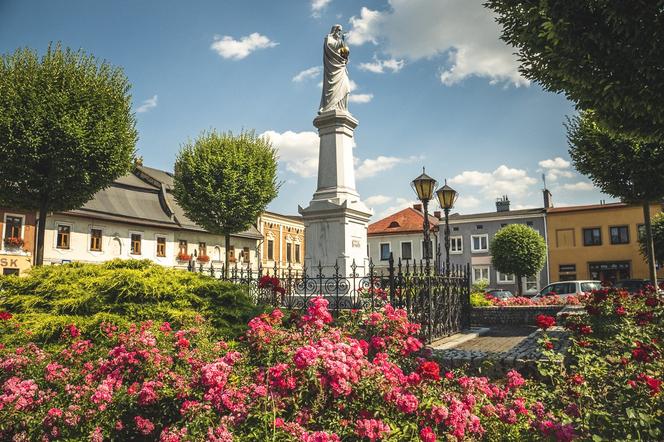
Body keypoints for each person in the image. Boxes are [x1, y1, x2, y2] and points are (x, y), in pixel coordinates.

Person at [319, 25, 350, 114]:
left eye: (341, 31)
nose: (340, 33)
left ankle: (342, 108)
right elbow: (330, 47)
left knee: (346, 87)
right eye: (338, 30)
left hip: (341, 68)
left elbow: (343, 55)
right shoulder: (328, 38)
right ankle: (331, 106)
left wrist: (345, 52)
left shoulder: (339, 42)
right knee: (332, 89)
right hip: (332, 68)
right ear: (334, 30)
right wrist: (341, 42)